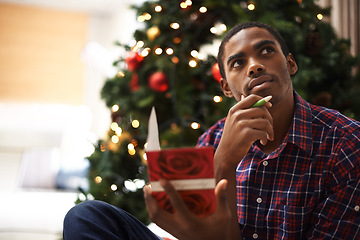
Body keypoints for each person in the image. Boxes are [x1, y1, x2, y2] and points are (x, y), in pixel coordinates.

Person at [63, 21, 360, 239]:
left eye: (266, 51)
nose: (254, 66)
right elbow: (202, 234)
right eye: (237, 63)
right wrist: (224, 161)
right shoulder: (213, 138)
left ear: (290, 63)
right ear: (227, 88)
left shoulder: (346, 142)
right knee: (88, 216)